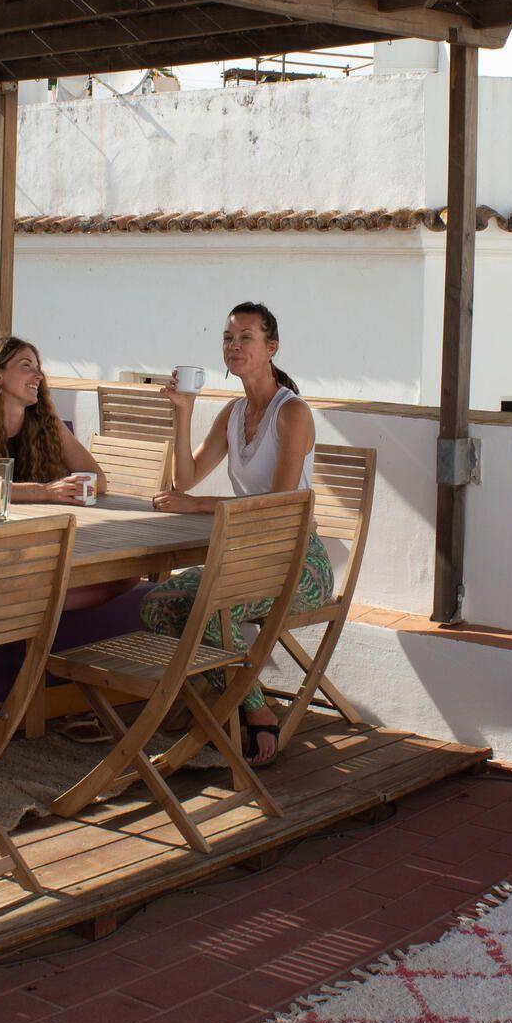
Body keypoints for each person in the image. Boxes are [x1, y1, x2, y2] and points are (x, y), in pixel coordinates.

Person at [146, 301, 334, 766]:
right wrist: (183, 411)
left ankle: (253, 714)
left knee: (208, 610)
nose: (234, 345)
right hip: (246, 558)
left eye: (246, 337)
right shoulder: (232, 413)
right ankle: (243, 702)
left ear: (271, 347)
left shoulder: (293, 414)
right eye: (229, 337)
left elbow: (278, 505)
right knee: (158, 605)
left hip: (297, 563)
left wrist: (198, 506)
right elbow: (185, 478)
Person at [0, 335, 104, 504]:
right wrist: (44, 491)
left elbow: (98, 480)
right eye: (26, 366)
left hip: (36, 525)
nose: (39, 375)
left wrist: (68, 488)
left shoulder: (49, 426)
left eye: (37, 367)